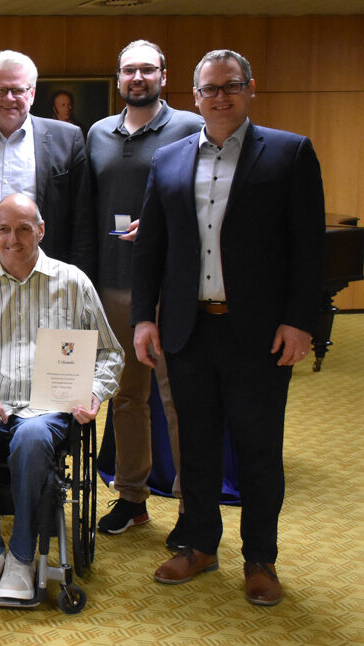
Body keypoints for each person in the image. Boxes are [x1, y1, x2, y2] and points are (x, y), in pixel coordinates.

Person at [132, 49, 324, 607]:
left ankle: (260, 558)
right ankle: (199, 544)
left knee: (258, 447)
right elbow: (152, 249)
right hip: (189, 330)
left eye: (231, 86)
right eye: (210, 88)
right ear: (193, 96)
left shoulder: (288, 153)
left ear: (250, 89)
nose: (220, 96)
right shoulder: (168, 160)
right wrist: (146, 315)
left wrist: (300, 321)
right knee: (195, 446)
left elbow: (308, 249)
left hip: (260, 333)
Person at [0, 193, 122, 600]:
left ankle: (20, 556)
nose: (12, 239)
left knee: (32, 440)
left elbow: (110, 354)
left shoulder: (73, 284)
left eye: (23, 228)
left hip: (46, 408)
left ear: (41, 230)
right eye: (3, 229)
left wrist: (93, 392)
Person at [87, 40, 204, 542]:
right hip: (112, 285)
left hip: (169, 287)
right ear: (118, 79)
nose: (138, 77)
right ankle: (133, 497)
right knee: (126, 396)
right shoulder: (97, 133)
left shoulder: (190, 128)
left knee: (178, 399)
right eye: (129, 70)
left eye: (147, 69)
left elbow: (206, 203)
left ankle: (191, 509)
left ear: (163, 74)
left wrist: (160, 227)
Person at [0, 50, 94, 297]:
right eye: (1, 90)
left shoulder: (68, 140)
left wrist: (79, 284)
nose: (9, 98)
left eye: (18, 90)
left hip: (51, 281)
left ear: (32, 93)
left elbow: (83, 223)